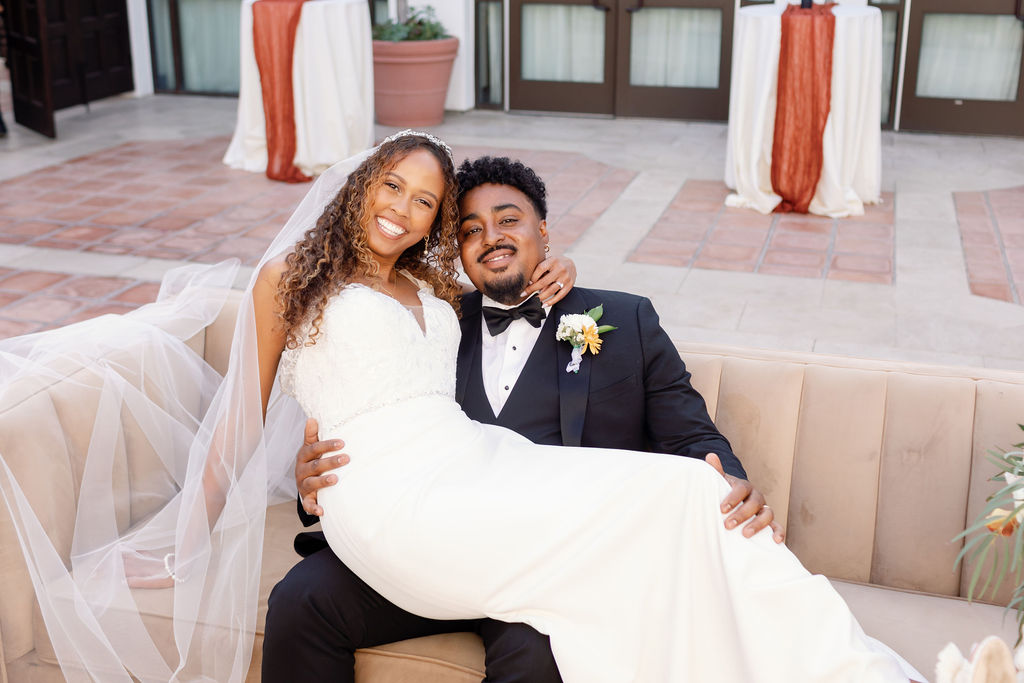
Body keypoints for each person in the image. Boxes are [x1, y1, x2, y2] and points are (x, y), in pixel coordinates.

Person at [249, 132, 923, 682]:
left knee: (538, 655)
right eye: (473, 228)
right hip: (421, 533)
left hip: (560, 557)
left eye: (509, 220)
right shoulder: (432, 314)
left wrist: (731, 483)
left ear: (545, 230)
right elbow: (362, 402)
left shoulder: (622, 321)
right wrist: (314, 485)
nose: (492, 237)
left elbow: (689, 430)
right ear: (456, 250)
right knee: (300, 601)